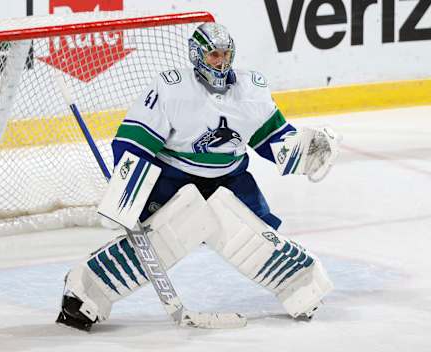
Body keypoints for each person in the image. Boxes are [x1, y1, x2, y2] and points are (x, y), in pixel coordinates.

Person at [56, 22, 338, 331]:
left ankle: (302, 287)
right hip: (175, 179)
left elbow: (273, 140)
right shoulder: (172, 88)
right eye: (214, 55)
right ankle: (84, 294)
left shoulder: (250, 90)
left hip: (231, 178)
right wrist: (127, 192)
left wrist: (308, 152)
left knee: (256, 238)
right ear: (197, 55)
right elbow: (134, 141)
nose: (222, 62)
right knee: (157, 242)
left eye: (226, 55)